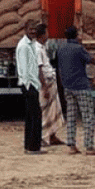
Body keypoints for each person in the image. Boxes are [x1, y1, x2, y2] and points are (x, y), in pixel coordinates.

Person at [57, 26, 95, 156]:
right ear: (76, 35)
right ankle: (89, 147)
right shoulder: (78, 48)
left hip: (68, 86)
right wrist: (83, 46)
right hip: (81, 86)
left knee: (71, 116)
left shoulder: (61, 49)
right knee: (88, 116)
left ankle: (71, 145)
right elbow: (92, 60)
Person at [16, 20, 45, 154]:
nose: (33, 31)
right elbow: (23, 69)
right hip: (29, 85)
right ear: (25, 29)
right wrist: (29, 86)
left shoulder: (32, 44)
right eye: (30, 29)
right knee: (35, 117)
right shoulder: (23, 46)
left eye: (34, 29)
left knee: (30, 117)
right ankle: (33, 148)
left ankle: (29, 146)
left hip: (33, 84)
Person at [35, 23, 65, 147]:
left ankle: (52, 136)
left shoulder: (43, 47)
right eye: (47, 33)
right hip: (45, 84)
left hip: (50, 81)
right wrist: (44, 87)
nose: (48, 35)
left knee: (54, 110)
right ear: (42, 35)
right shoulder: (37, 49)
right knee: (45, 111)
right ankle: (42, 137)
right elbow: (39, 69)